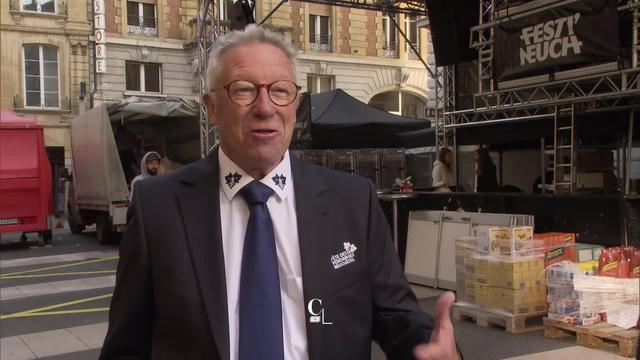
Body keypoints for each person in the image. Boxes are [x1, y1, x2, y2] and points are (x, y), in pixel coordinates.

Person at [101, 25, 457, 360]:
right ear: (211, 107)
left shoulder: (352, 201)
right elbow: (126, 347)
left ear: (295, 104)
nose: (265, 107)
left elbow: (397, 316)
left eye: (280, 90)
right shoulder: (157, 207)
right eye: (243, 89)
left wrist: (431, 343)